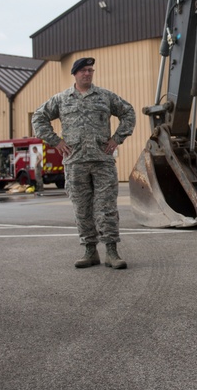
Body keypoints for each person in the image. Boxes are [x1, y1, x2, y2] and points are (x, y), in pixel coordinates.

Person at [33, 57, 136, 269]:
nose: (87, 74)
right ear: (75, 74)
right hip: (75, 162)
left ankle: (111, 251)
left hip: (102, 161)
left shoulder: (105, 97)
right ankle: (90, 251)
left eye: (90, 70)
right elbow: (38, 118)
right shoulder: (62, 99)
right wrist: (56, 141)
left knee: (106, 207)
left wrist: (117, 138)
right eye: (83, 71)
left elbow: (128, 112)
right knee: (82, 208)